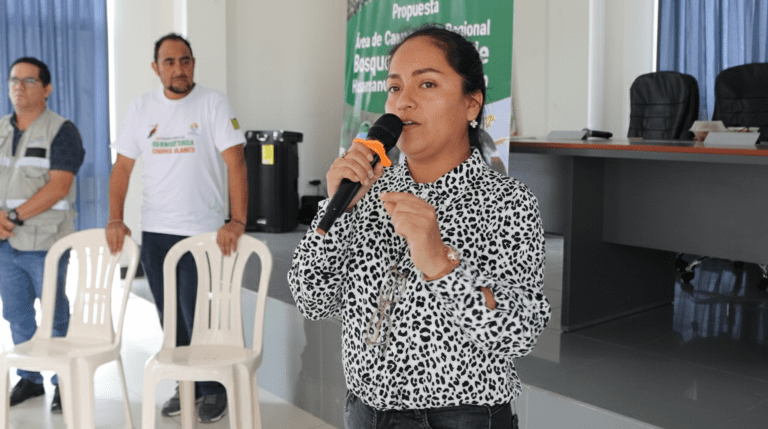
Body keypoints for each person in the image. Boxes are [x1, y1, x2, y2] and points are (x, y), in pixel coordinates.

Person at [288, 25, 550, 429]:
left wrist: (440, 264)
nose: (403, 102)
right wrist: (336, 211)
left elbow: (519, 334)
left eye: (426, 83)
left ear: (471, 104)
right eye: (394, 88)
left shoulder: (507, 201)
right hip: (364, 412)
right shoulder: (368, 189)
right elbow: (313, 300)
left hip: (460, 418)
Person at [105, 33, 247, 424]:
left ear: (193, 63)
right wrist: (116, 217)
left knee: (199, 315)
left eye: (184, 60)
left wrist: (237, 220)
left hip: (202, 232)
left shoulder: (213, 103)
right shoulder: (141, 108)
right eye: (169, 62)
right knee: (171, 319)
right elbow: (122, 168)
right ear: (156, 68)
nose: (178, 69)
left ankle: (212, 389)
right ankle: (187, 385)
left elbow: (236, 162)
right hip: (156, 233)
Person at [0, 57, 85, 413]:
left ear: (47, 89)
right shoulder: (1, 128)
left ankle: (63, 381)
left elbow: (59, 186)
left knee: (54, 315)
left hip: (47, 242)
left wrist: (13, 216)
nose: (19, 86)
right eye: (14, 80)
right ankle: (31, 378)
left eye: (29, 80)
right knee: (17, 313)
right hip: (6, 244)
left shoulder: (62, 130)